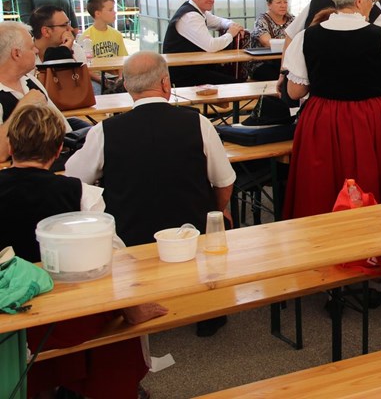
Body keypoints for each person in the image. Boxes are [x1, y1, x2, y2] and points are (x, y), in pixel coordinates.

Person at [0, 103, 155, 399]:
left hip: (8, 316)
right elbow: (113, 260)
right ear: (59, 149)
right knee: (114, 311)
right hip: (69, 319)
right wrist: (132, 309)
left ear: (10, 146)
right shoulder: (80, 193)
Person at [282, 0, 381, 219]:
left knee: (321, 186)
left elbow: (295, 91)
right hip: (369, 120)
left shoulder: (307, 37)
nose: (372, 5)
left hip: (322, 119)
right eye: (371, 0)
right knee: (369, 182)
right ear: (359, 0)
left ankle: (320, 238)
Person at [66, 51, 236, 246]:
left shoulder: (104, 131)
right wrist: (215, 212)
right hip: (192, 239)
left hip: (127, 244)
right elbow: (224, 182)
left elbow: (74, 177)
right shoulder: (199, 123)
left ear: (127, 86)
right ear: (165, 83)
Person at [0, 21, 71, 162]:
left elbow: (64, 127)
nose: (36, 51)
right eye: (31, 47)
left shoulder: (29, 80)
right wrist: (23, 107)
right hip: (21, 171)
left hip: (52, 159)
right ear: (16, 54)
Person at [161, 0, 245, 86]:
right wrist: (230, 34)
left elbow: (219, 22)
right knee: (237, 85)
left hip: (195, 67)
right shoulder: (191, 16)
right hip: (183, 74)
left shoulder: (197, 11)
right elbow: (211, 46)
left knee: (235, 76)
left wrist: (232, 25)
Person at [248, 0, 294, 81]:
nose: (283, 6)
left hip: (285, 61)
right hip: (262, 63)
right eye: (279, 3)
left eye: (285, 2)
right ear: (269, 4)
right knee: (285, 77)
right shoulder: (261, 21)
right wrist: (290, 42)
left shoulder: (292, 19)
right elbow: (267, 42)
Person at [83, 0, 128, 92]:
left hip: (115, 76)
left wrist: (120, 78)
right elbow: (84, 67)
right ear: (98, 13)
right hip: (95, 78)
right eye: (110, 10)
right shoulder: (85, 37)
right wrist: (101, 80)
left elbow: (122, 60)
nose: (115, 12)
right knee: (95, 90)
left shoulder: (117, 34)